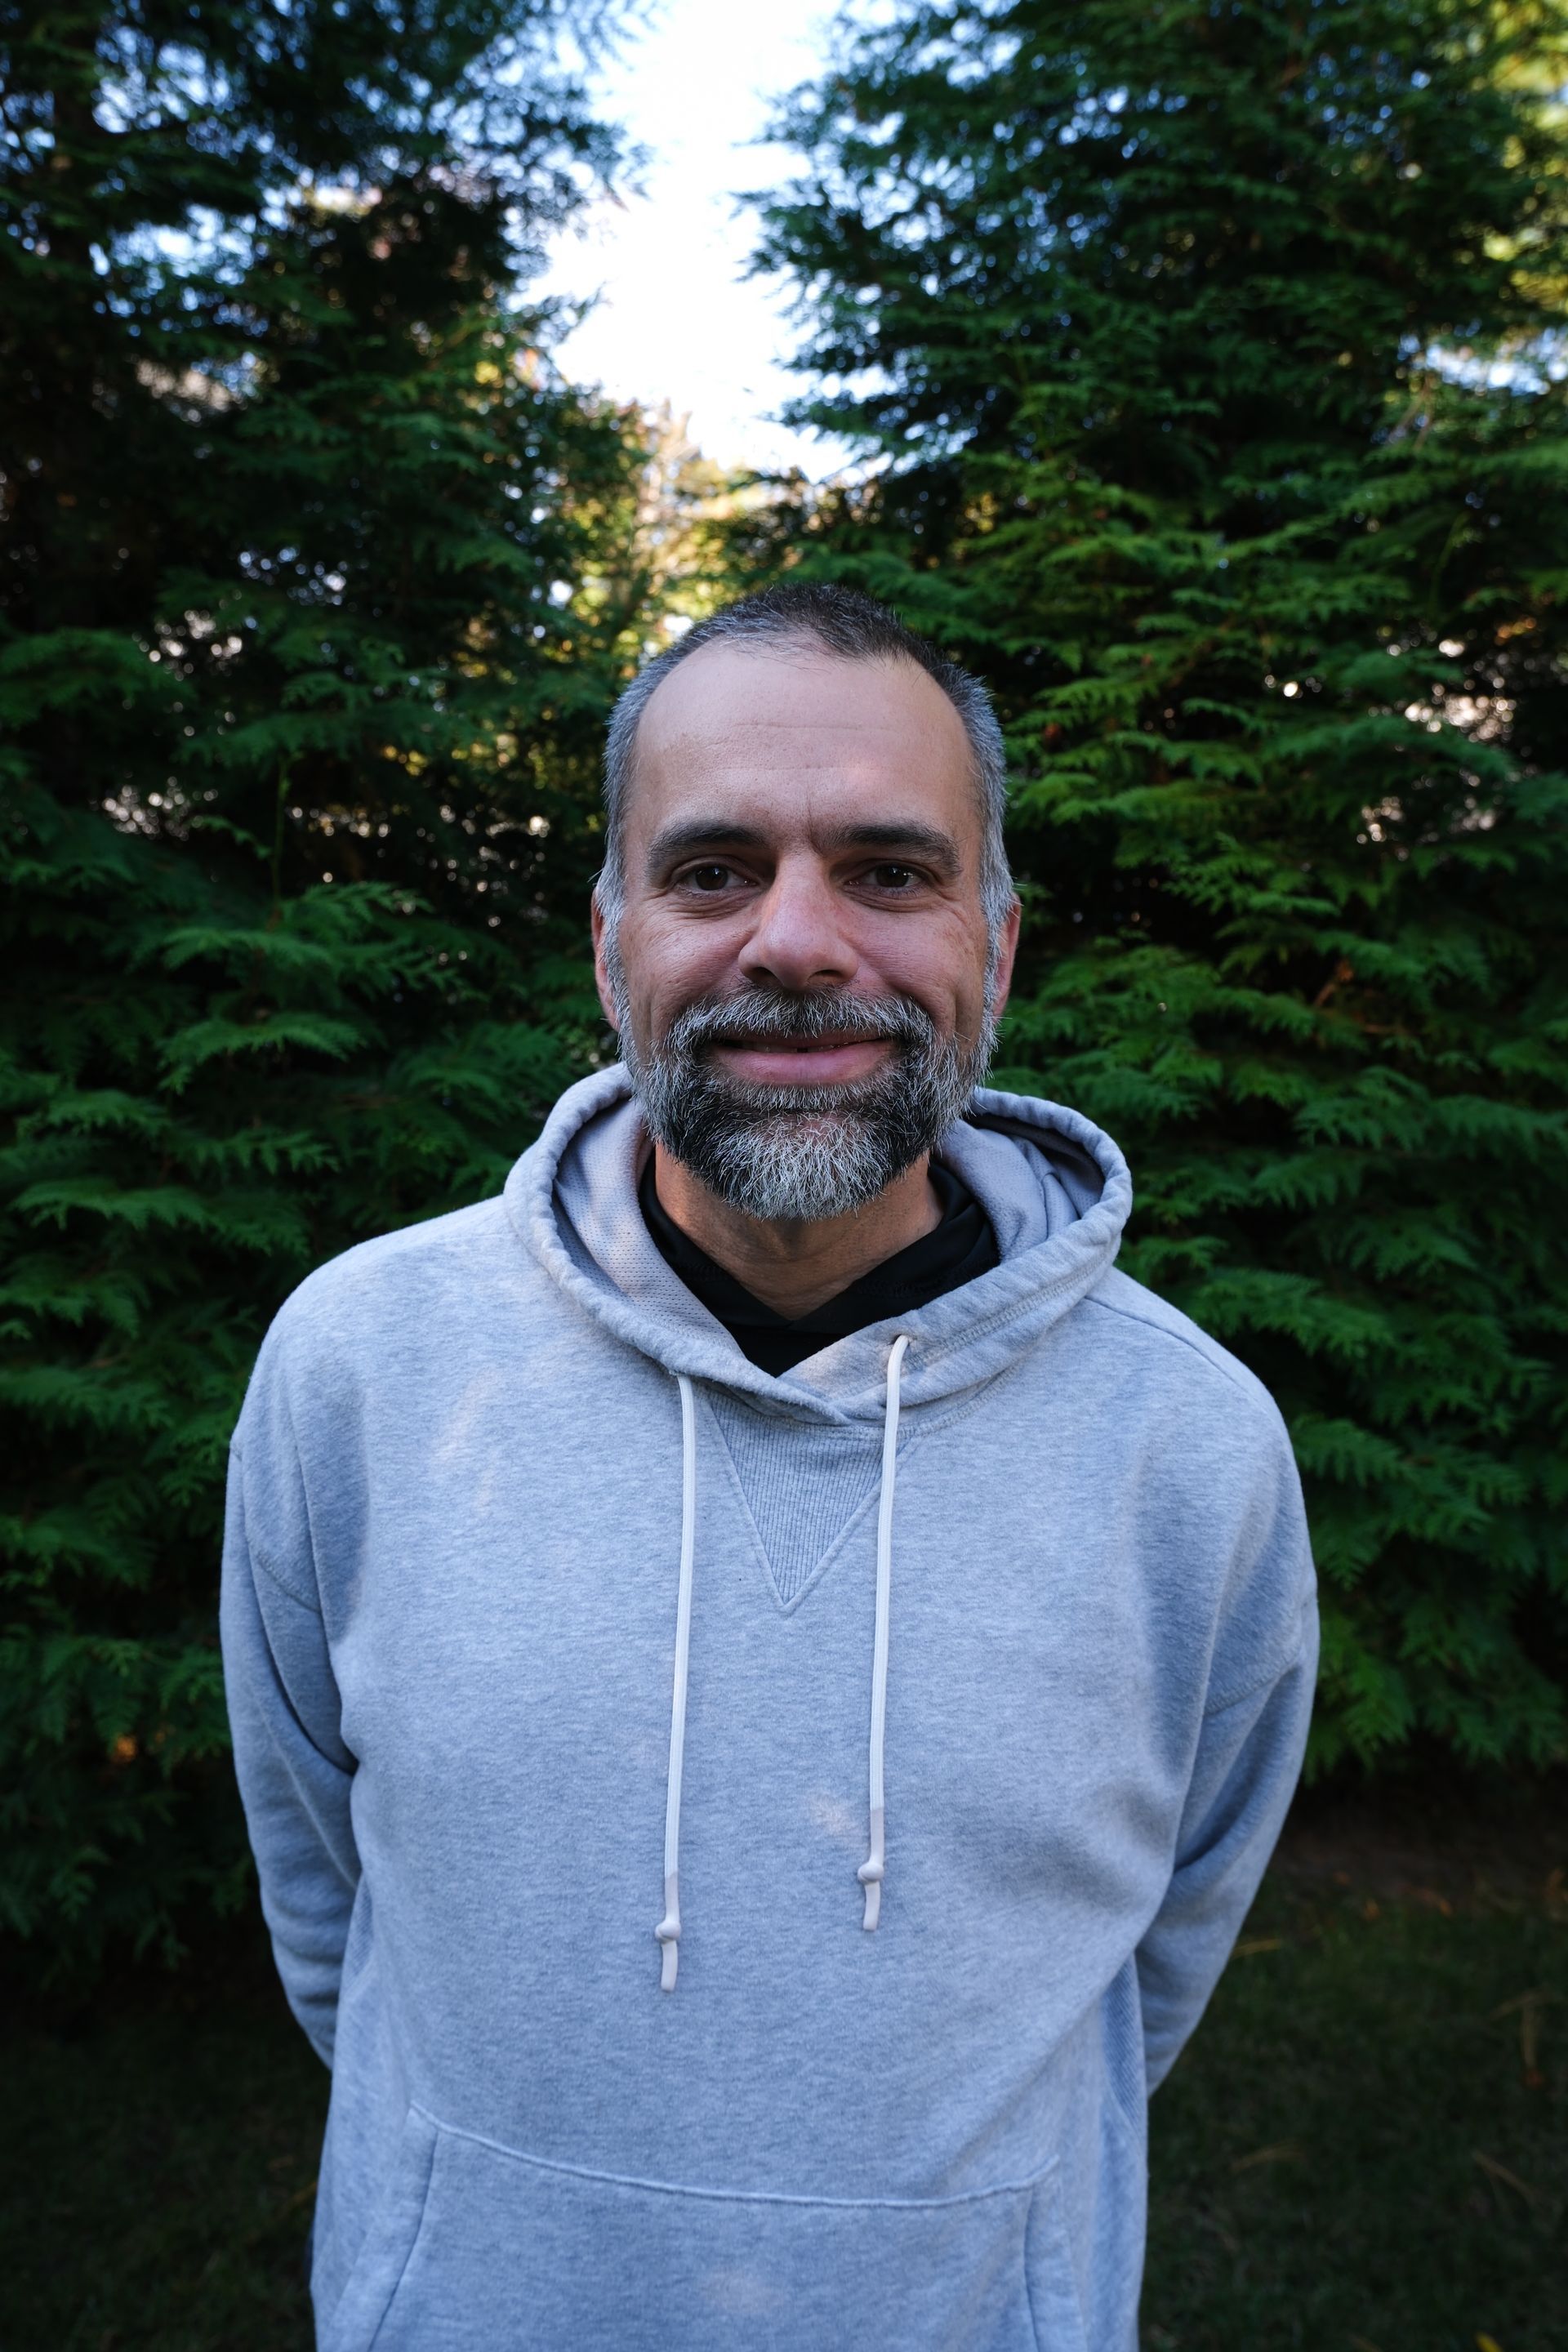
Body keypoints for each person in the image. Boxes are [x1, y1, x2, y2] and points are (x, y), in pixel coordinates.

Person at [222, 584, 1317, 2352]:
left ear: (1001, 947)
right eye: (714, 870)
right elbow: (320, 1888)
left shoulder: (1188, 1451)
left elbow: (1160, 1953)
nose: (797, 942)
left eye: (890, 872)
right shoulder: (360, 1366)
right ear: (608, 942)